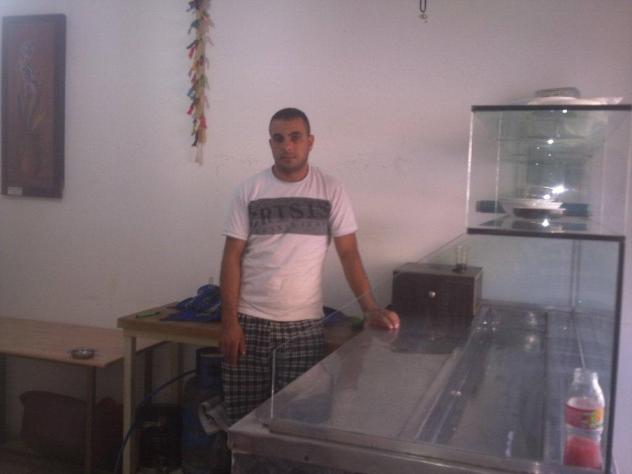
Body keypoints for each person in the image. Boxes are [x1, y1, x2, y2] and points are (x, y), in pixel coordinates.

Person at [219, 107, 399, 424]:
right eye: (278, 139)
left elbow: (349, 254)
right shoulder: (249, 190)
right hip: (249, 325)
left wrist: (370, 308)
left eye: (295, 137)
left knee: (298, 424)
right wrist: (229, 322)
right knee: (242, 423)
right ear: (270, 143)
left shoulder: (330, 189)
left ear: (310, 142)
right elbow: (231, 257)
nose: (287, 146)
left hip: (303, 327)